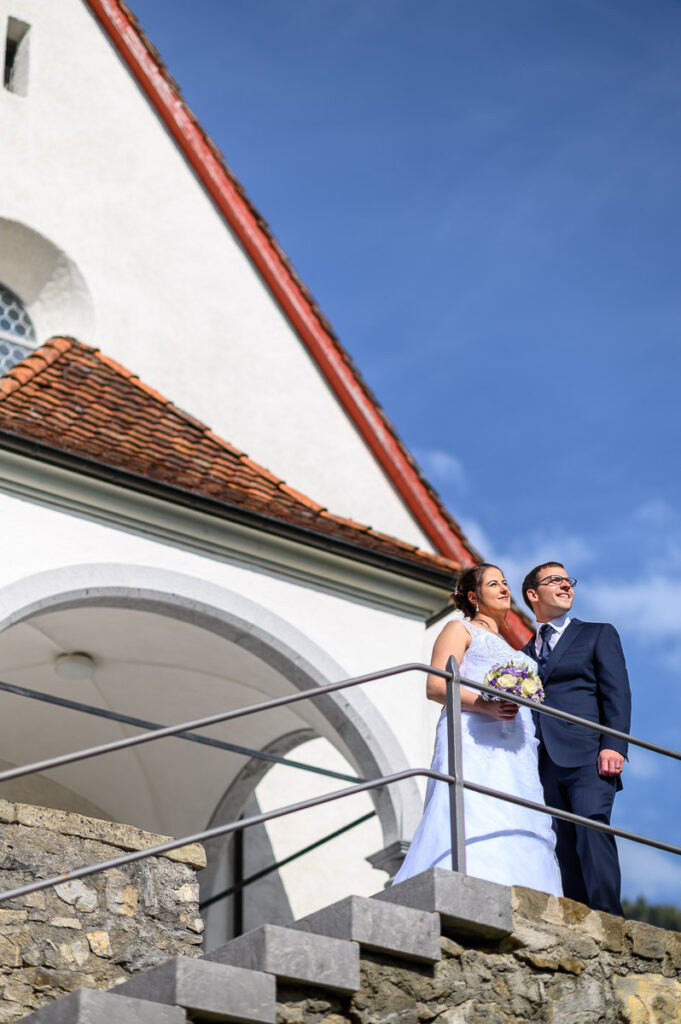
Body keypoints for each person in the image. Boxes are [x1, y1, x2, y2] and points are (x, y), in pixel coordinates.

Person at [394, 563, 562, 895]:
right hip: (475, 737)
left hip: (516, 748)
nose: (504, 589)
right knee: (474, 803)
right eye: (493, 584)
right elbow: (437, 686)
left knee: (515, 809)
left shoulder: (518, 651)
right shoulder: (460, 629)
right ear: (473, 596)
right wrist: (486, 705)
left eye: (505, 582)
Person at [521, 562, 631, 916]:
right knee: (562, 843)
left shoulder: (598, 633)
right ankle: (578, 916)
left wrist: (614, 744)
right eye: (555, 580)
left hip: (589, 754)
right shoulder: (522, 654)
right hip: (544, 761)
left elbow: (617, 692)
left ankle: (609, 915)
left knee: (592, 826)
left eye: (568, 580)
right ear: (533, 595)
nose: (566, 585)